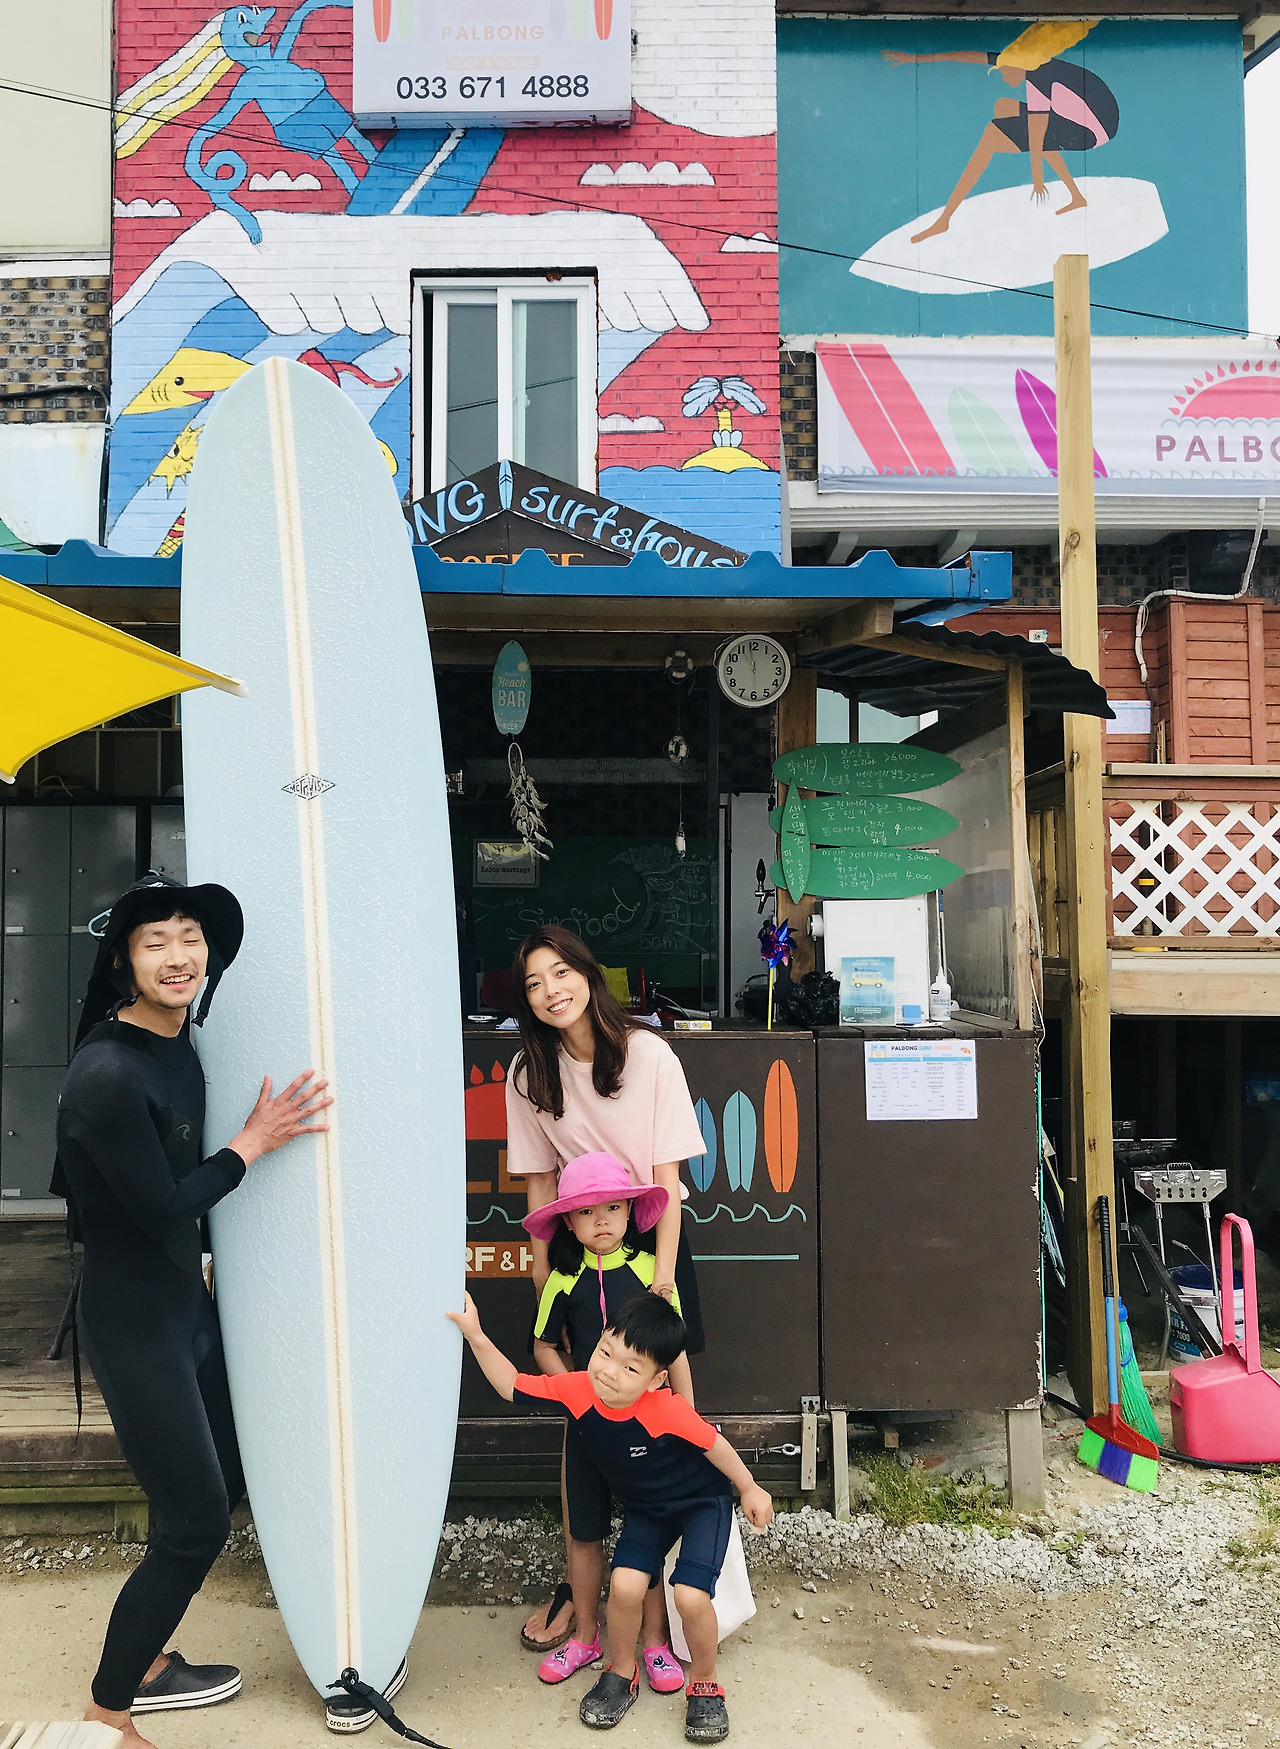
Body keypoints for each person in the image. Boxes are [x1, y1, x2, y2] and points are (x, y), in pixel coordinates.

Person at [52, 875, 332, 1749]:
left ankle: (144, 1658)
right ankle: (109, 1710)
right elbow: (163, 1205)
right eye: (156, 941)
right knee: (196, 1519)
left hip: (181, 1302)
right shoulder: (106, 1073)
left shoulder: (179, 1040)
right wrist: (254, 1141)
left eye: (191, 937)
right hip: (133, 1320)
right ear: (121, 959)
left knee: (227, 1478)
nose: (179, 956)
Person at [504, 925, 707, 1665]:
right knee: (587, 1418)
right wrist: (541, 1275)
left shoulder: (649, 1054)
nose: (551, 991)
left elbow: (668, 1181)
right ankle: (584, 1596)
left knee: (665, 1420)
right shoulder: (529, 1071)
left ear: (589, 975)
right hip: (575, 1252)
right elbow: (536, 1179)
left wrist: (662, 1280)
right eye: (534, 983)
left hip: (651, 1246)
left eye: (561, 972)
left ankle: (673, 1608)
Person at [448, 1290, 773, 1743]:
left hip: (701, 1504)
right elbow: (511, 1386)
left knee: (690, 1595)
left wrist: (750, 1487)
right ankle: (621, 1671)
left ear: (657, 1380)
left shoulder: (667, 1408)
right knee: (624, 1586)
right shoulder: (578, 1389)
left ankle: (705, 1682)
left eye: (631, 1368)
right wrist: (476, 1335)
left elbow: (714, 1445)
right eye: (605, 1352)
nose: (609, 1371)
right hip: (648, 1510)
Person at [525, 1151, 688, 1690]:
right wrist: (578, 1393)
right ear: (568, 1222)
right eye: (587, 1211)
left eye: (613, 1207)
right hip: (587, 1429)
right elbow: (544, 1347)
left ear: (630, 1212)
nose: (601, 1220)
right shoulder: (562, 1280)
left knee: (649, 1528)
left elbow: (674, 1352)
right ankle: (585, 1637)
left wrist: (685, 1414)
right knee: (584, 1531)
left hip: (648, 1429)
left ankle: (655, 1642)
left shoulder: (649, 1274)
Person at [883, 21, 1118, 243]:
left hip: (1091, 131)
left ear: (1017, 68)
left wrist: (1037, 179)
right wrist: (915, 58)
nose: (1003, 77)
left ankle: (944, 220)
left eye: (1004, 72)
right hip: (1080, 118)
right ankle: (1077, 197)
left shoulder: (1039, 81)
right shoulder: (1027, 63)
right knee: (1004, 107)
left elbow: (1037, 134)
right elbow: (968, 56)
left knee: (993, 135)